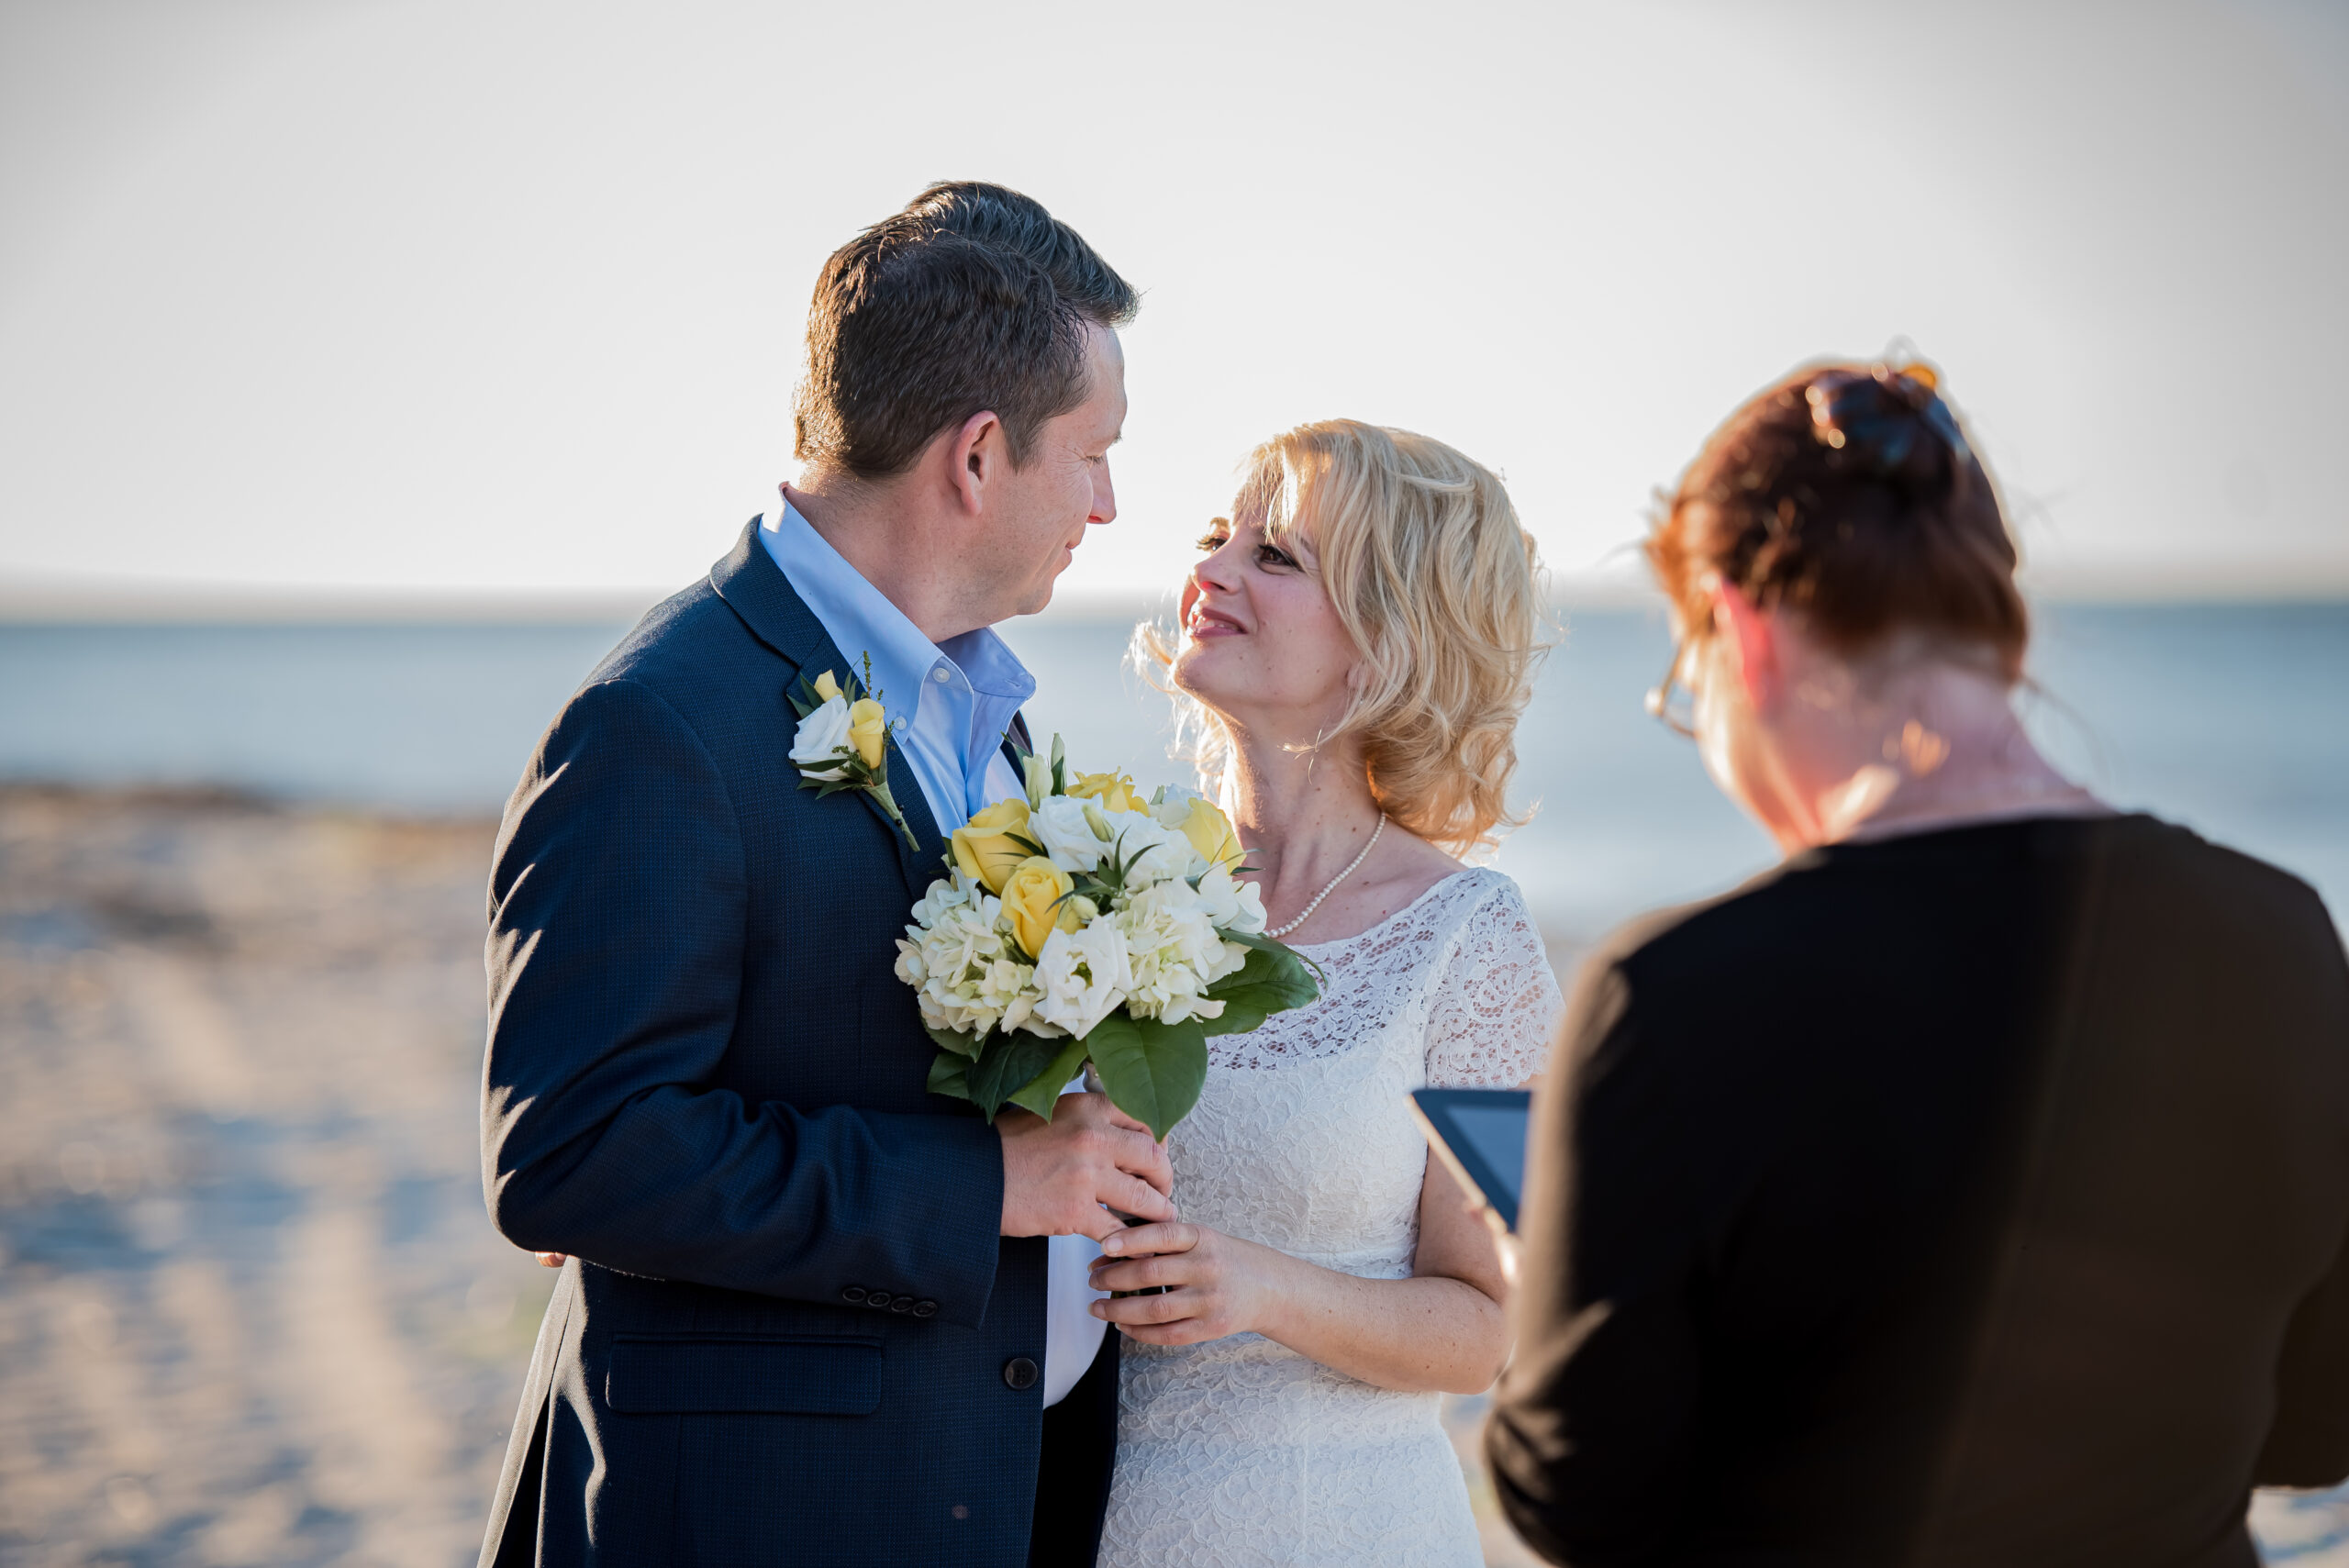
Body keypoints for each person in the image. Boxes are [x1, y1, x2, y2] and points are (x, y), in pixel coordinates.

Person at [1485, 361, 2349, 1566]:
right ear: (2000, 623)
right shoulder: (2284, 937)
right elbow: (2316, 1429)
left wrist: (1548, 1285)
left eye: (1693, 687)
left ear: (1741, 630)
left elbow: (1578, 1504)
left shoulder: (1675, 1000)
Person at [475, 183, 1176, 1568]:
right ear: (977, 457)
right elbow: (571, 1156)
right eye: (1094, 452)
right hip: (761, 1511)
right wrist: (985, 1186)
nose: (1110, 500)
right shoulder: (663, 722)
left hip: (972, 1487)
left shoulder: (990, 718)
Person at [1090, 420, 1564, 1564]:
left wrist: (1259, 1285)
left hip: (1344, 1529)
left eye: (1277, 557)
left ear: (1388, 637)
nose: (1210, 574)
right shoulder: (1111, 892)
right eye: (1218, 539)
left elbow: (1494, 1328)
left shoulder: (1472, 937)